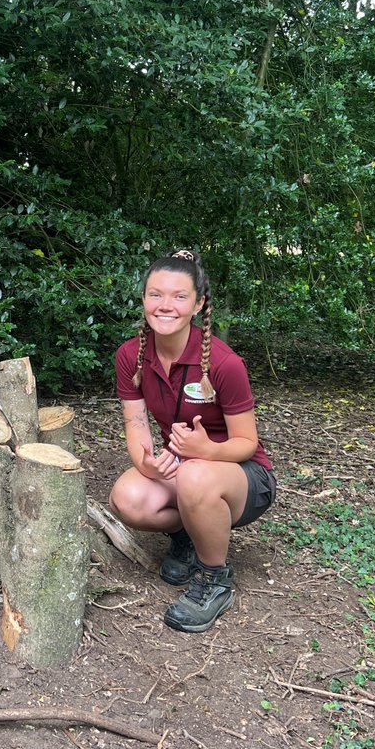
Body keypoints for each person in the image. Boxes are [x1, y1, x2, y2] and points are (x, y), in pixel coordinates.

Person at [111, 249, 275, 632]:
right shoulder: (131, 356)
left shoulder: (223, 363)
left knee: (195, 476)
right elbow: (136, 423)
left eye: (179, 297)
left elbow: (247, 443)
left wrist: (207, 451)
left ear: (198, 304)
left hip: (243, 475)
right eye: (156, 294)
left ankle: (213, 578)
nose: (165, 305)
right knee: (128, 498)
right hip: (187, 464)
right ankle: (187, 534)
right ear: (143, 298)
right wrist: (145, 463)